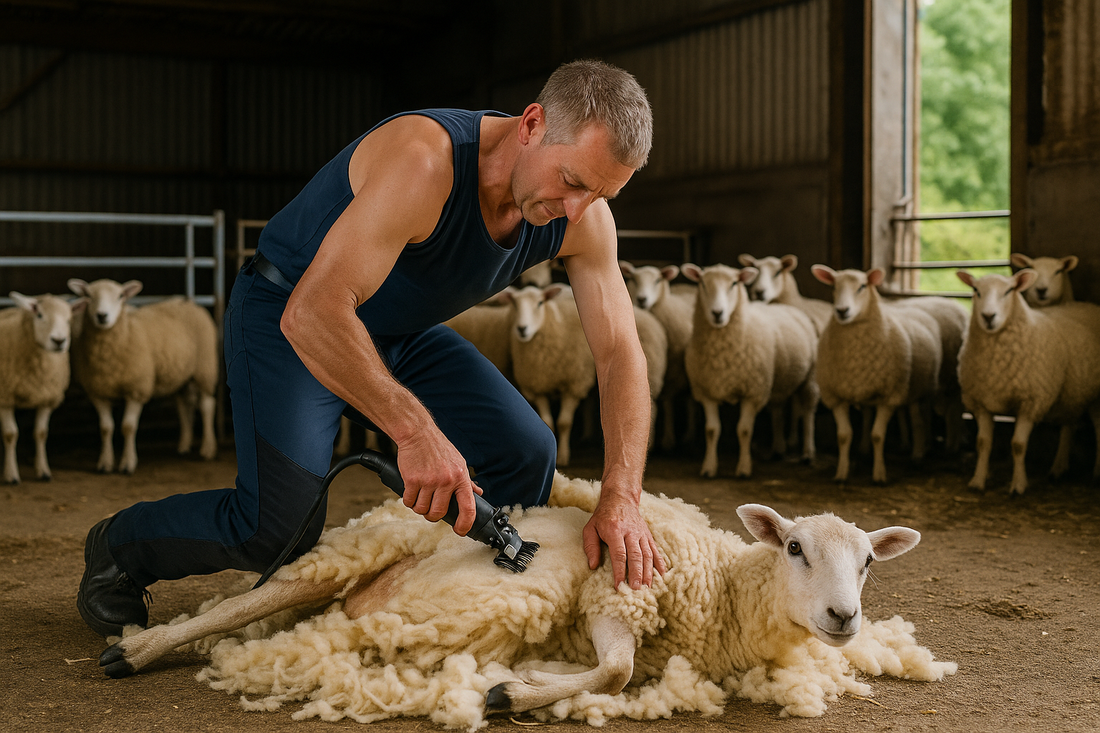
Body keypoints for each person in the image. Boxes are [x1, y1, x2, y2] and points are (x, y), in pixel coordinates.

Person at [77, 59, 667, 639]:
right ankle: (120, 546)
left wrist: (621, 493)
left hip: (399, 331)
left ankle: (460, 599)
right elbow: (314, 312)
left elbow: (620, 353)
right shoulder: (425, 160)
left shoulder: (582, 217)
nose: (576, 211)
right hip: (292, 314)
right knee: (276, 527)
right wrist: (413, 430)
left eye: (600, 194)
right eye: (570, 182)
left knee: (526, 452)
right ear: (533, 124)